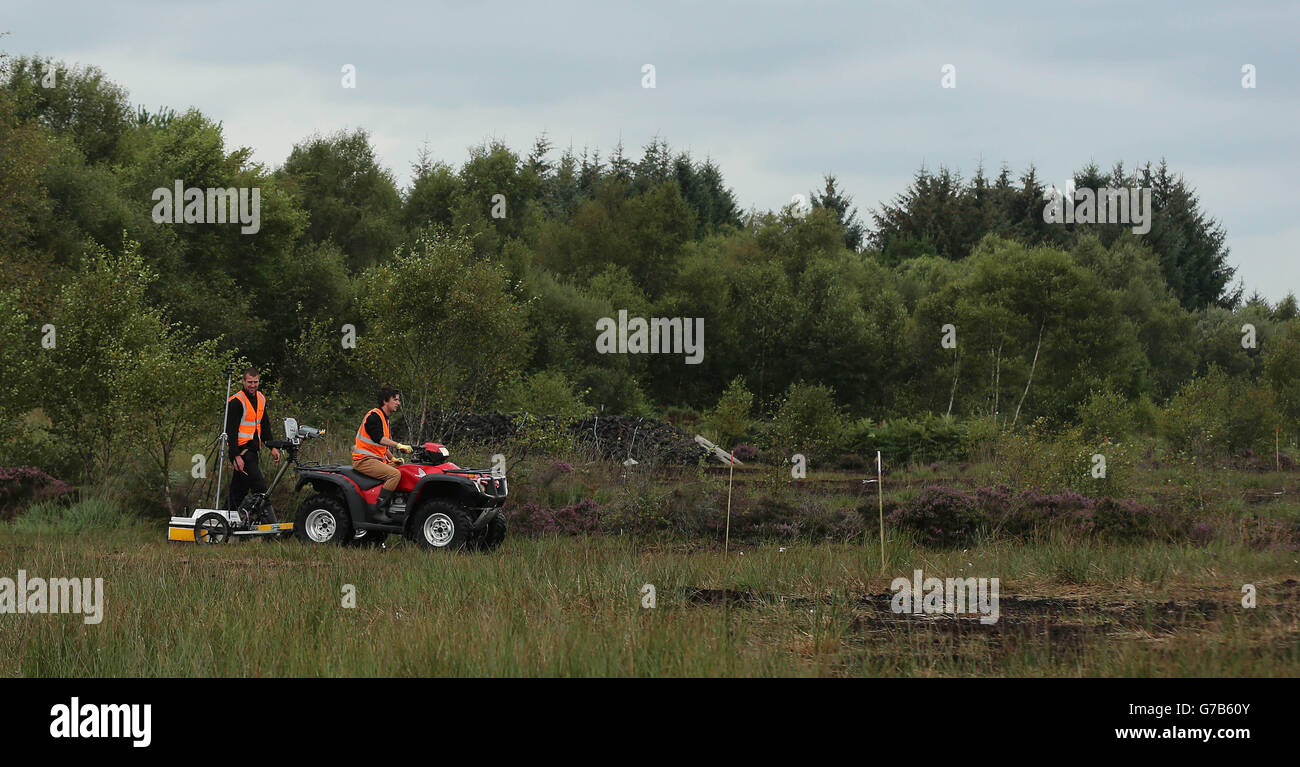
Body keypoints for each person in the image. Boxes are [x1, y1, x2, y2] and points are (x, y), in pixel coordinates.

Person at [352, 384, 411, 522]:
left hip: (376, 460)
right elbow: (379, 438)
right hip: (364, 460)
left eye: (398, 400)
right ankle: (378, 510)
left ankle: (397, 507)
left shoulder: (385, 418)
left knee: (404, 469)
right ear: (385, 401)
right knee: (394, 475)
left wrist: (393, 458)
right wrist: (398, 445)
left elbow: (381, 446)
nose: (398, 403)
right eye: (395, 399)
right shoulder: (374, 416)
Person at [226, 367, 280, 512]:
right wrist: (236, 456)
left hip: (253, 451)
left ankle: (224, 522)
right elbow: (230, 432)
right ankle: (270, 528)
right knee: (261, 489)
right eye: (250, 382)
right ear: (244, 381)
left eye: (255, 382)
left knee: (238, 492)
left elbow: (265, 425)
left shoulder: (261, 398)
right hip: (242, 453)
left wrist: (272, 447)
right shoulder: (236, 401)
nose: (253, 385)